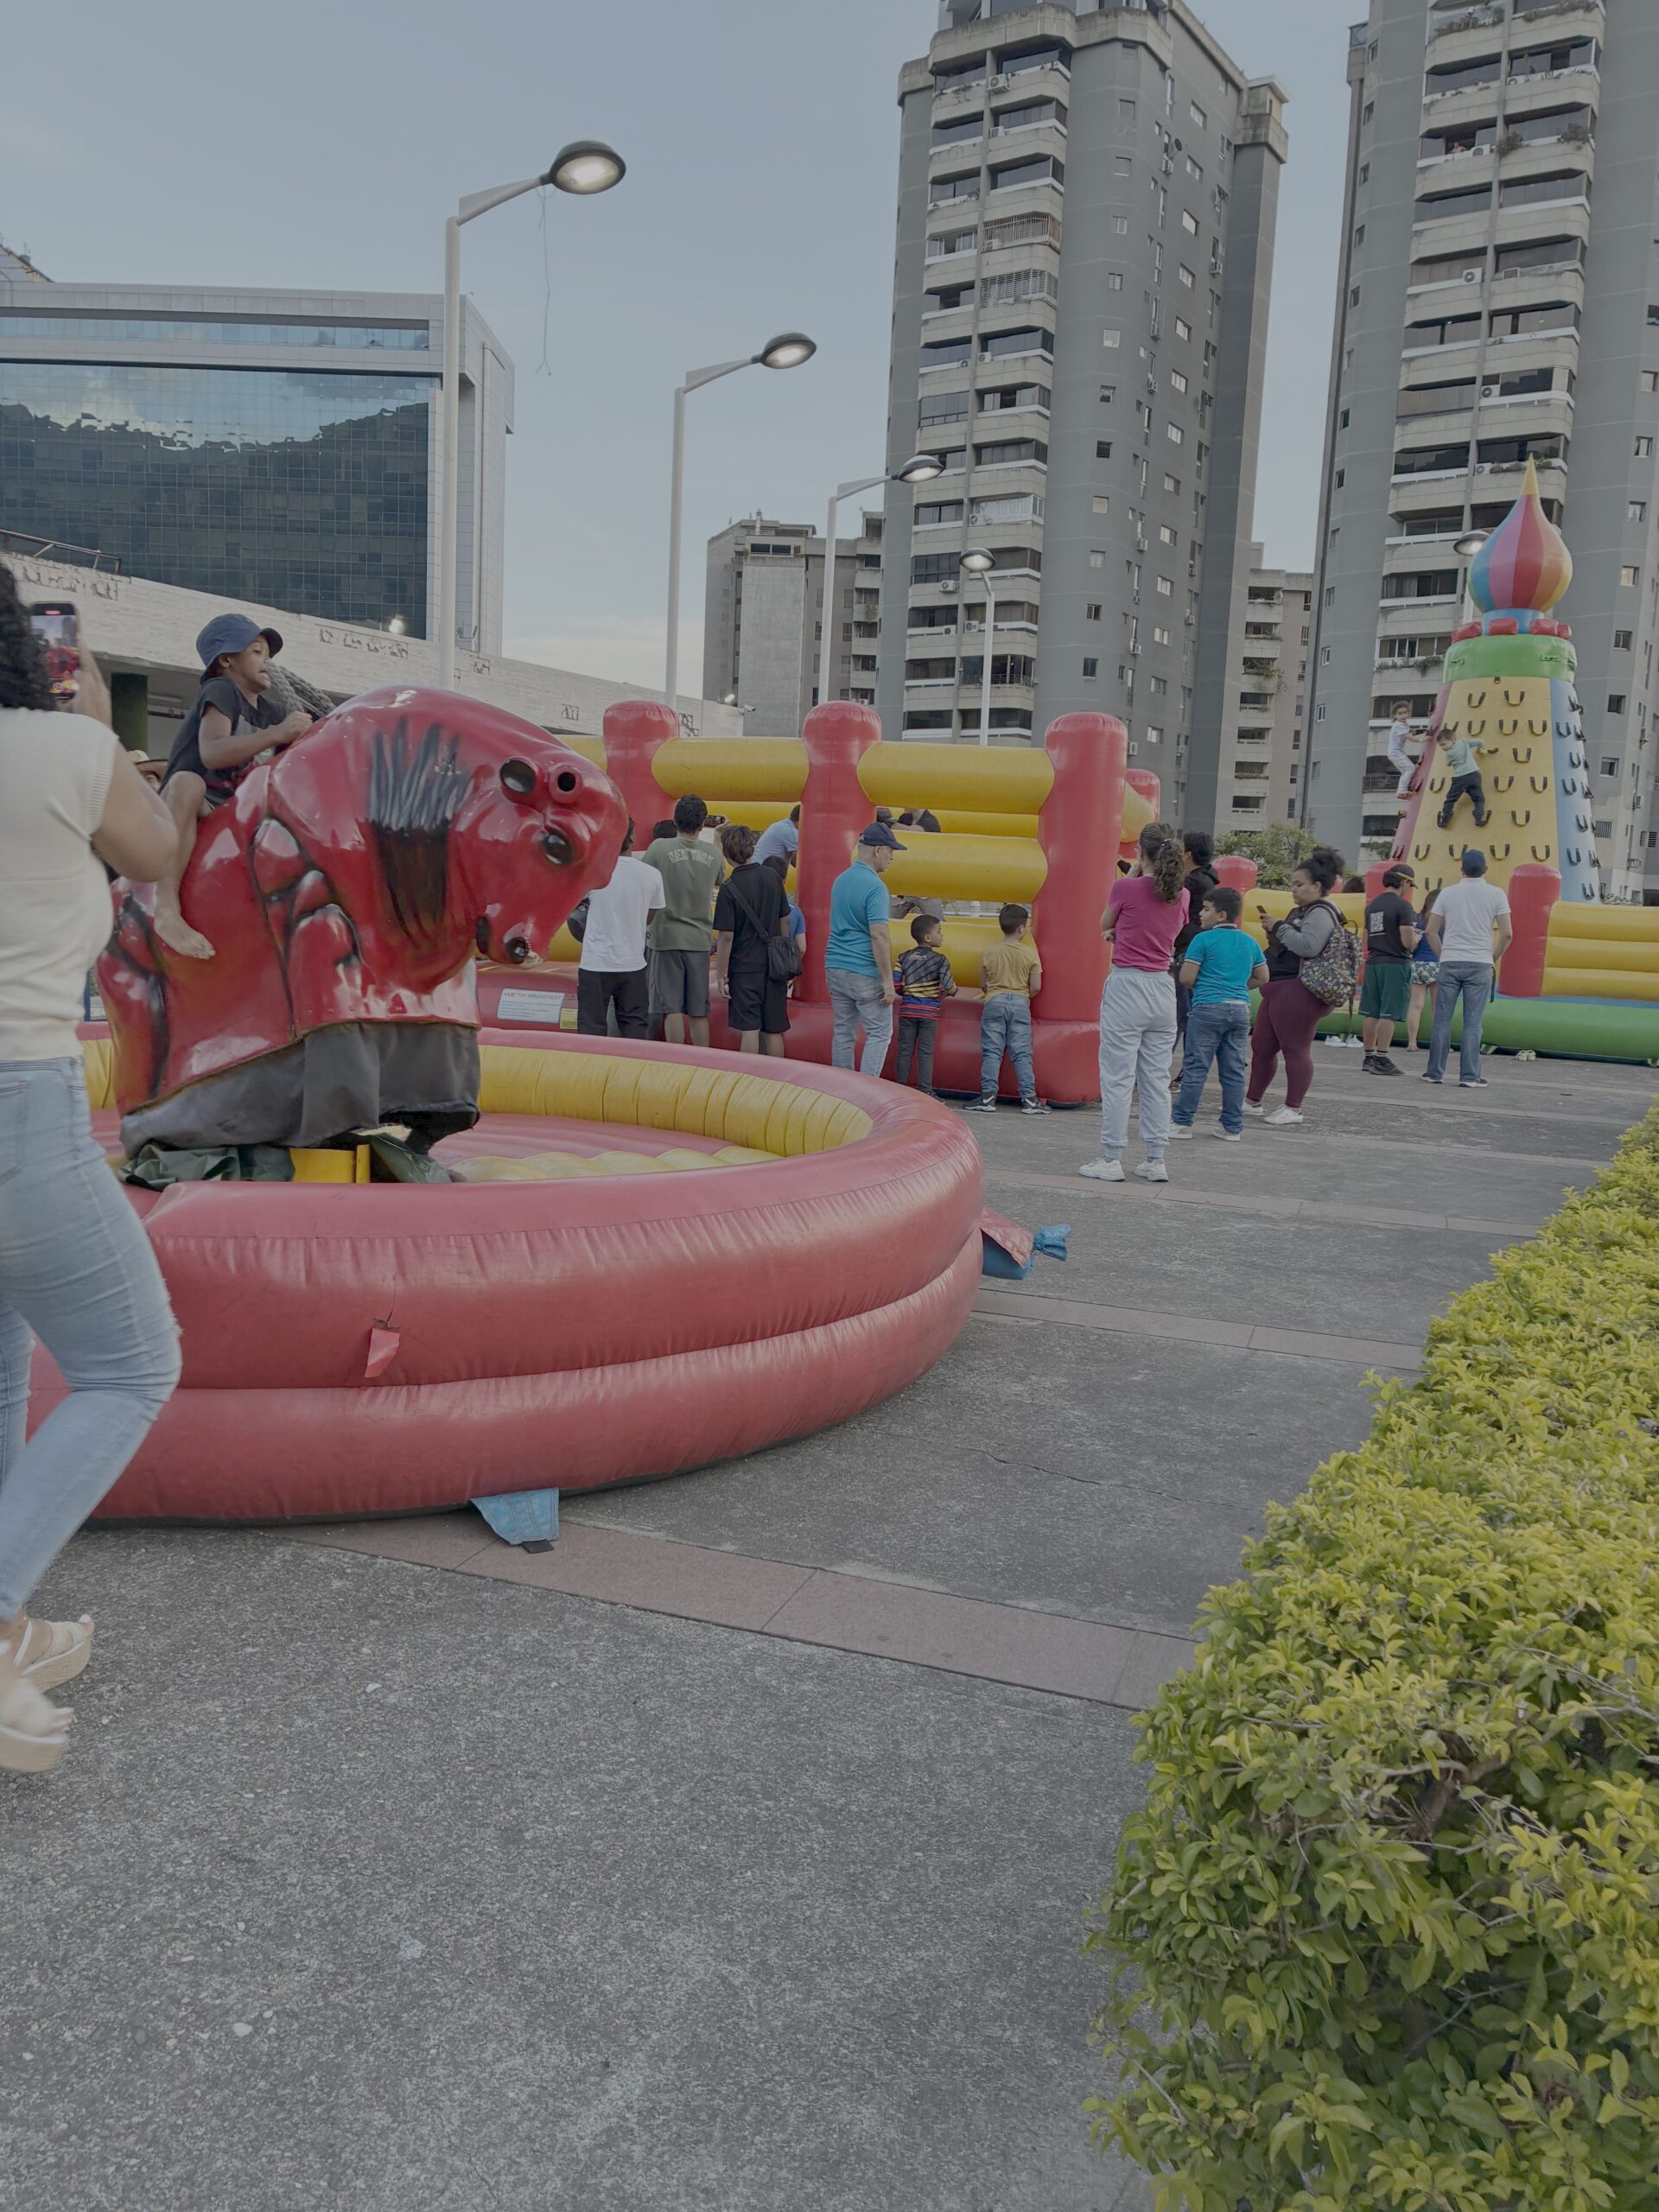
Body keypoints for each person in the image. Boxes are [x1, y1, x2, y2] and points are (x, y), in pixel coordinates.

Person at [0, 568, 182, 1771]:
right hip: (17, 1094)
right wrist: (97, 699)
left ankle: (13, 1626)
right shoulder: (66, 747)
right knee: (133, 1365)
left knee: (1, 1363)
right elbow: (159, 848)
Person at [155, 615, 312, 958]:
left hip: (236, 811)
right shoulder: (221, 690)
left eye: (268, 654)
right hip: (198, 803)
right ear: (227, 661)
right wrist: (278, 734)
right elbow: (212, 752)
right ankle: (165, 908)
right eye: (256, 651)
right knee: (187, 782)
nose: (267, 661)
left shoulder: (275, 711)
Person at [1080, 822, 1189, 1183]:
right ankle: (1156, 1159)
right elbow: (1163, 931)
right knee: (1156, 1079)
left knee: (1118, 1077)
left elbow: (1104, 922)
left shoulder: (1125, 887)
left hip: (1127, 986)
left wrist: (1132, 873)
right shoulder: (1183, 895)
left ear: (1141, 853)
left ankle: (1112, 1158)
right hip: (1162, 988)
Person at [1243, 849, 1344, 1128]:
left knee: (1295, 1049)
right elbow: (1289, 944)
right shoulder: (1301, 911)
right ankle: (1252, 1100)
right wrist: (1276, 930)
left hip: (1299, 989)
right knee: (1262, 1046)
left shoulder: (1321, 912)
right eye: (1293, 884)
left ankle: (1293, 1107)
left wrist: (1280, 927)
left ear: (1317, 886)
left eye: (1299, 884)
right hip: (1278, 988)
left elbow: (1308, 946)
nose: (1294, 890)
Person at [1169, 886, 1268, 1142]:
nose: (1201, 914)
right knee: (1233, 1070)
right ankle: (1232, 1127)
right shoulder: (1250, 942)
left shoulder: (1202, 940)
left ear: (1221, 915)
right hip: (1240, 1009)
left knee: (1195, 1068)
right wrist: (1236, 986)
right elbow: (1263, 977)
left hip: (1207, 1008)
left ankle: (1181, 1123)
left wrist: (1208, 986)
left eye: (1206, 909)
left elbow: (1186, 977)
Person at [1425, 849, 1512, 1087]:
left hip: (1450, 960)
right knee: (1473, 1023)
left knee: (1442, 1020)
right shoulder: (1496, 894)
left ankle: (1434, 1072)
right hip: (1480, 962)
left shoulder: (1447, 893)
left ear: (1461, 869)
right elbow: (1507, 934)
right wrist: (1492, 958)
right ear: (1485, 869)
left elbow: (1431, 931)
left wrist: (1443, 955)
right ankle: (1470, 1076)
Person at [643, 795, 724, 1047]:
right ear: (702, 823)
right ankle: (703, 1058)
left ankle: (676, 1058)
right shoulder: (713, 854)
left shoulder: (658, 848)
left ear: (675, 820)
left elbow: (644, 879)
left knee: (672, 1008)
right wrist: (718, 838)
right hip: (699, 939)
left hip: (665, 936)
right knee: (699, 1009)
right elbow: (720, 879)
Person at [826, 821, 904, 1075]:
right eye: (891, 851)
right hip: (864, 970)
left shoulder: (841, 880)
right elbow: (879, 935)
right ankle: (867, 1087)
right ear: (878, 850)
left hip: (835, 965)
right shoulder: (876, 886)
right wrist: (888, 980)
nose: (892, 858)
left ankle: (841, 1088)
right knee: (880, 1033)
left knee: (843, 1031)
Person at [575, 819, 663, 1039]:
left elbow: (574, 905)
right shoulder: (652, 874)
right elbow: (650, 916)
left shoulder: (592, 871)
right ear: (632, 837)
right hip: (633, 962)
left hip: (596, 961)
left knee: (590, 1029)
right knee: (635, 1026)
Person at [714, 823, 791, 1057]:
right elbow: (785, 919)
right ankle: (777, 1075)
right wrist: (782, 950)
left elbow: (726, 937)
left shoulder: (729, 888)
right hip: (774, 965)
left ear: (726, 854)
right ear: (752, 848)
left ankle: (749, 1076)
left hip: (745, 967)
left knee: (750, 1029)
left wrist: (721, 974)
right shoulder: (772, 876)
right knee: (773, 1031)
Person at [976, 904, 1047, 1115]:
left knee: (992, 1051)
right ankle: (1029, 1100)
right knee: (1022, 1053)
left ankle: (988, 1098)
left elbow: (983, 983)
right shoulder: (1030, 954)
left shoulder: (989, 952)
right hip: (1020, 1002)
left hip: (994, 1000)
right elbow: (1036, 986)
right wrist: (1022, 996)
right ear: (1021, 928)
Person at [1359, 864, 1420, 1077]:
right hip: (1395, 964)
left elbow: (1366, 937)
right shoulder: (1403, 906)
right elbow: (1407, 941)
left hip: (1373, 962)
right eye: (1409, 884)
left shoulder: (1372, 906)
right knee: (1389, 1013)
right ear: (1403, 882)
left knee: (1371, 1013)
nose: (1409, 888)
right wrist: (1416, 939)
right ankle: (1382, 1058)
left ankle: (1369, 1056)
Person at [1170, 829, 1217, 1079]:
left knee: (1184, 1013)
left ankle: (1189, 1071)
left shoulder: (1194, 882)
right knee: (1183, 1013)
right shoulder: (1206, 878)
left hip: (1189, 951)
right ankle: (1186, 1070)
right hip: (1191, 949)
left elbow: (1165, 892)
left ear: (1187, 854)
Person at [894, 914, 957, 1094]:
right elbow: (948, 985)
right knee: (925, 1052)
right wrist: (951, 992)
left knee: (904, 1050)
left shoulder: (903, 957)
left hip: (907, 1011)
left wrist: (908, 994)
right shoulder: (940, 960)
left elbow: (895, 984)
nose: (942, 935)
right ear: (928, 937)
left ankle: (899, 1088)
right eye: (939, 931)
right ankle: (925, 1090)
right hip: (929, 1013)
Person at [1436, 723, 1491, 830]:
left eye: (1443, 744)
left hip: (1460, 778)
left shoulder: (1449, 753)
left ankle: (1444, 820)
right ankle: (1478, 818)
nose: (1442, 748)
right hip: (1475, 775)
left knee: (1450, 799)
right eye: (1440, 746)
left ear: (1453, 740)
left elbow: (1448, 763)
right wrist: (1480, 750)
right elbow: (1480, 741)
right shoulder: (1464, 742)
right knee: (1479, 799)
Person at [1408, 887, 1440, 1052]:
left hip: (1418, 964)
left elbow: (1411, 945)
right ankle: (1438, 1044)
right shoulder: (1445, 920)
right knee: (1437, 1007)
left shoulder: (1416, 919)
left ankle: (1412, 1042)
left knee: (1416, 1005)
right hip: (1438, 964)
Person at [762, 851, 805, 954]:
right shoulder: (795, 910)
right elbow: (802, 948)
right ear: (785, 879)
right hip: (781, 960)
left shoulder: (755, 904)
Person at [1385, 700, 1420, 806]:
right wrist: (1422, 739)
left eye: (1405, 712)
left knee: (1405, 771)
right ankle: (1401, 790)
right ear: (1395, 715)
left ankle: (1402, 790)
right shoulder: (1398, 725)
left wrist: (1419, 731)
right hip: (1396, 753)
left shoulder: (1404, 724)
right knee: (1410, 768)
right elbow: (1408, 736)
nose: (1403, 715)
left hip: (1397, 752)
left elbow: (1410, 732)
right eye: (1400, 713)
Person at [753, 804, 800, 870]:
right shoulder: (791, 831)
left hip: (758, 868)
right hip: (766, 871)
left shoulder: (781, 825)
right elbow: (799, 863)